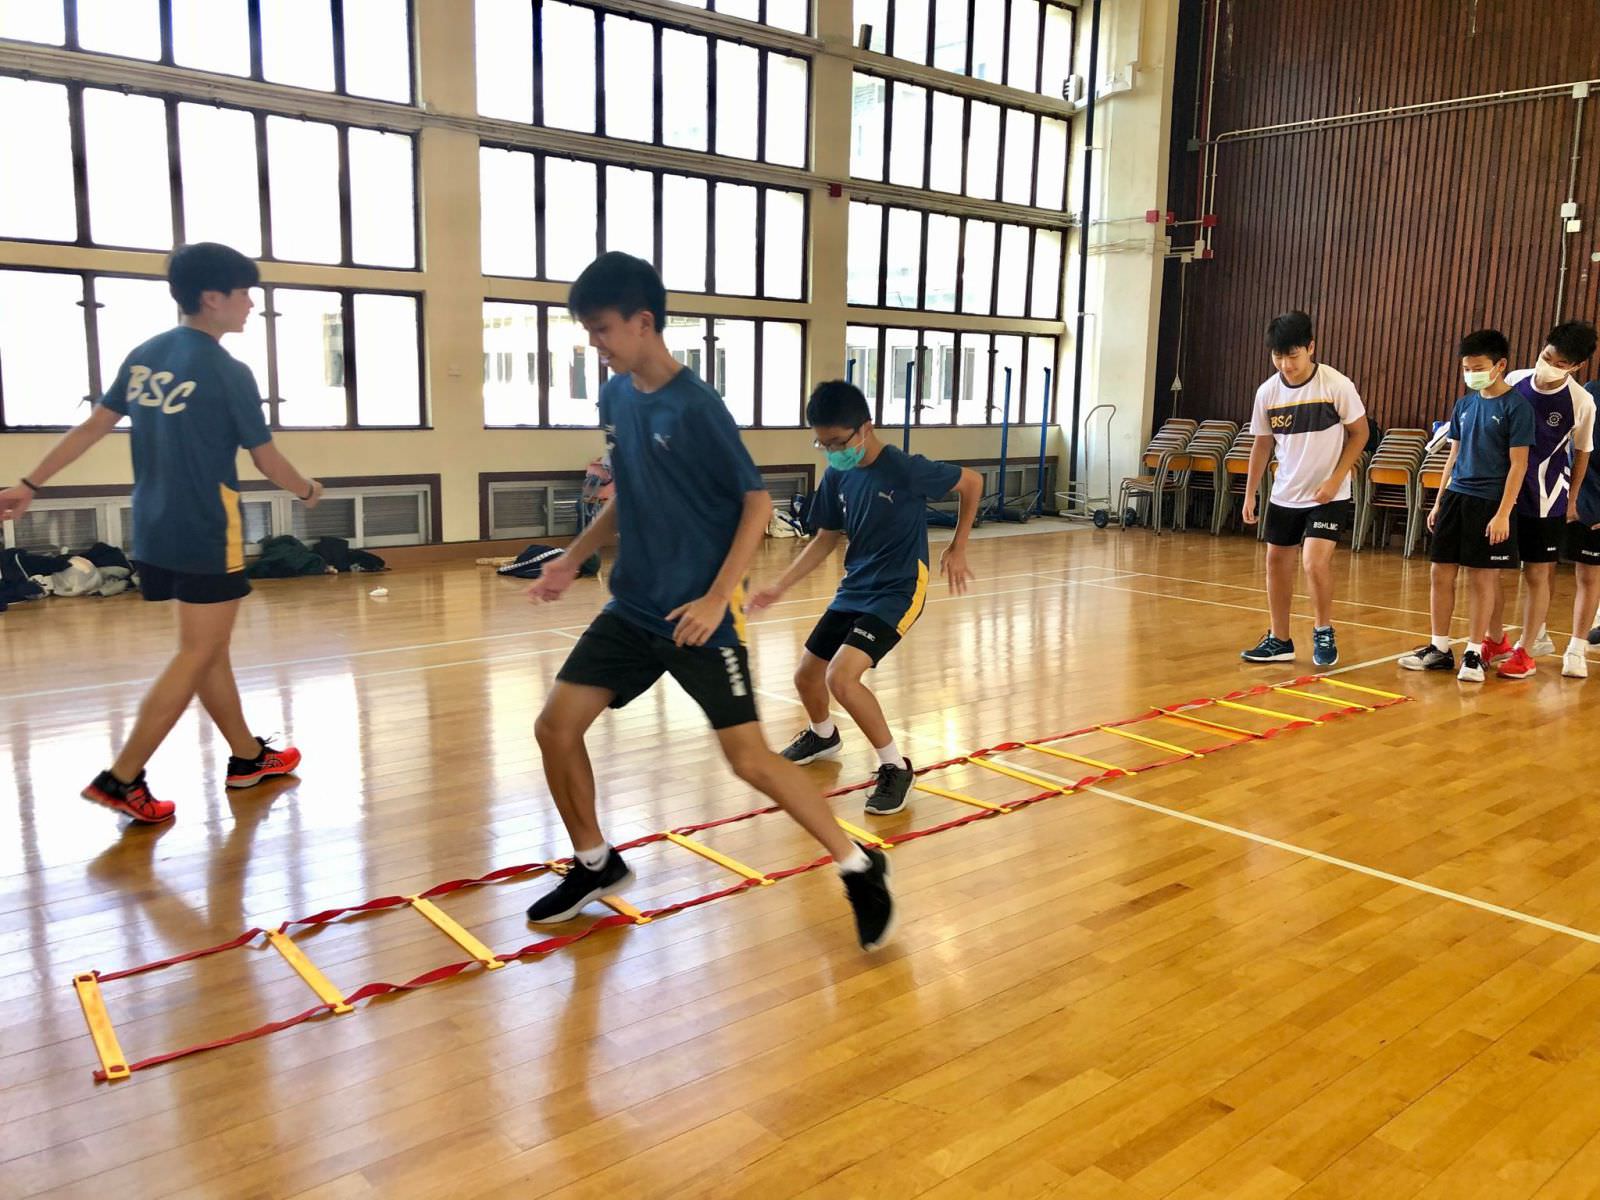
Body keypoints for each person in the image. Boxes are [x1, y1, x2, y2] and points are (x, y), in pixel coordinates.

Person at [520, 253, 895, 952]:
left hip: (701, 619)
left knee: (750, 761)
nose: (595, 344)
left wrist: (718, 596)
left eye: (601, 329)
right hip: (633, 608)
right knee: (554, 728)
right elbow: (630, 492)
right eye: (588, 331)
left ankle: (857, 864)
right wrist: (573, 557)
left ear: (643, 322)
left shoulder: (697, 407)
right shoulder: (617, 397)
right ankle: (596, 864)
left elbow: (757, 503)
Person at [0, 243, 317, 824]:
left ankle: (249, 757)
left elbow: (93, 427)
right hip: (206, 527)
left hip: (154, 526)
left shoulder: (146, 355)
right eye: (245, 293)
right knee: (197, 652)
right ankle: (123, 778)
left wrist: (29, 482)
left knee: (207, 649)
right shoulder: (228, 372)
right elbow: (267, 459)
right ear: (212, 298)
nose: (251, 304)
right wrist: (307, 489)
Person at [748, 381, 982, 816]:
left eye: (839, 442)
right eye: (823, 444)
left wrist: (959, 545)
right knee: (806, 676)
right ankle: (823, 736)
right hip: (855, 587)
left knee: (841, 678)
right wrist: (780, 585)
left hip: (898, 589)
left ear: (865, 429)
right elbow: (826, 538)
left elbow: (972, 482)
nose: (832, 451)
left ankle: (895, 766)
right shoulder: (837, 473)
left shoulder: (905, 469)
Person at [1399, 330, 1532, 681]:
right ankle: (1439, 648)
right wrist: (1439, 501)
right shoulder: (1464, 405)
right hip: (1456, 496)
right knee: (1439, 572)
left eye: (1478, 367)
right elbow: (1453, 455)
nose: (1471, 374)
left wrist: (1503, 513)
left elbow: (1518, 465)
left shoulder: (1517, 407)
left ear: (1500, 365)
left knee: (1481, 578)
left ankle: (1474, 651)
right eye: (1466, 368)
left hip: (1490, 501)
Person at [1240, 311, 1369, 667]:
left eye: (1293, 356)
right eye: (1278, 357)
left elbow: (1360, 434)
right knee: (1276, 562)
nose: (1286, 365)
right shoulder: (1267, 392)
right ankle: (1279, 639)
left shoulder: (1336, 385)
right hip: (1285, 494)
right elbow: (1262, 445)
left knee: (1313, 562)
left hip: (1328, 496)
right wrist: (1251, 493)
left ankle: (1323, 630)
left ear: (1311, 348)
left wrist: (1336, 478)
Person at [1481, 320, 1597, 678]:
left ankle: (1526, 649)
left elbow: (1582, 453)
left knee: (1537, 573)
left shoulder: (1581, 401)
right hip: (1503, 493)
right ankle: (1495, 638)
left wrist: (1573, 499)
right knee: (1490, 570)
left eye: (1561, 364)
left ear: (1576, 366)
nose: (1550, 366)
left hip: (1546, 497)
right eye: (1547, 357)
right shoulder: (1515, 380)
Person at [1566, 377, 1600, 677]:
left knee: (1591, 574)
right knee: (1585, 572)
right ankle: (1537, 639)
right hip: (1580, 498)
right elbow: (1579, 451)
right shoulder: (1591, 393)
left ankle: (1577, 647)